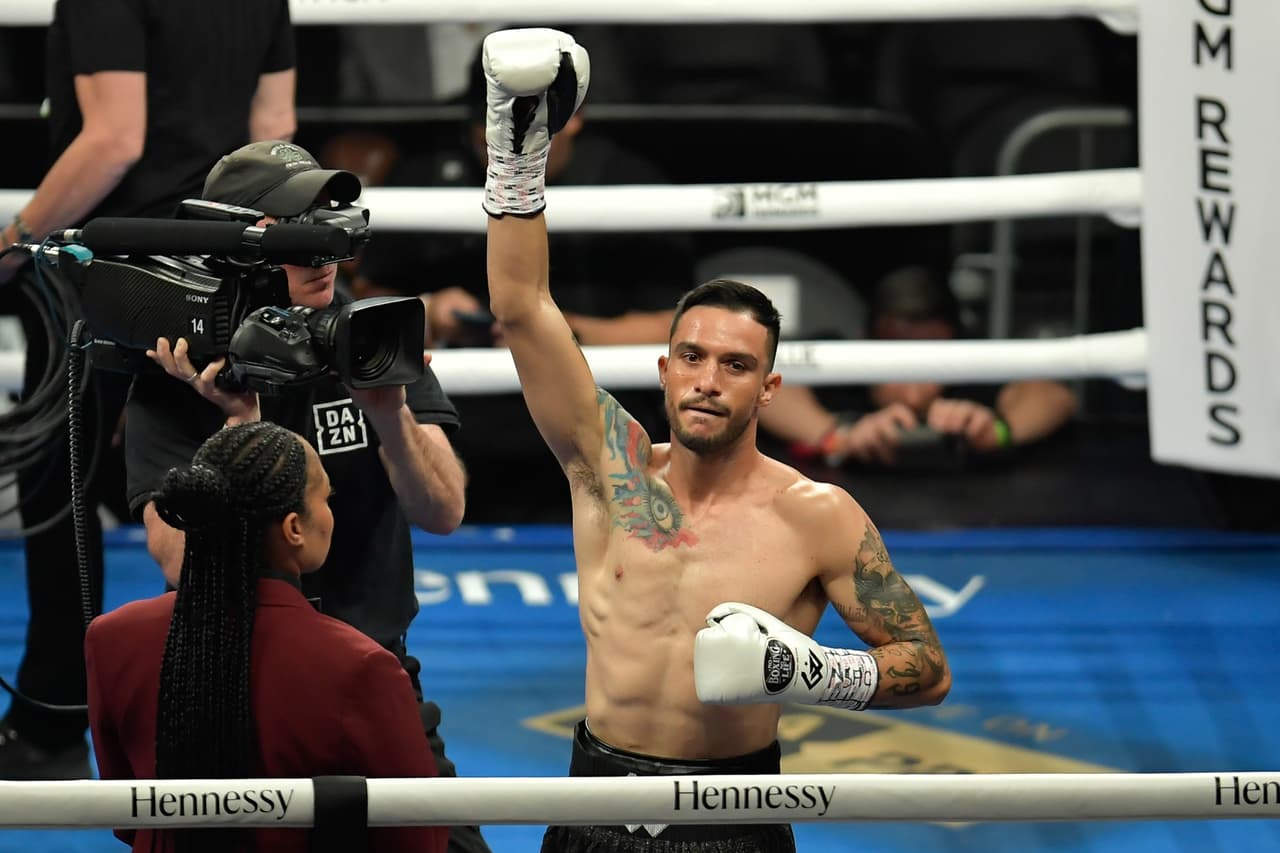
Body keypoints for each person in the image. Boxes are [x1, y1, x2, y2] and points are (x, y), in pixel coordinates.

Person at [479, 28, 951, 852]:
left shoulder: (815, 514)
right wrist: (516, 163)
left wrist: (816, 673)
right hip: (594, 808)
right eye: (693, 358)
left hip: (734, 820)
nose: (708, 379)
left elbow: (927, 666)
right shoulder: (608, 468)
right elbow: (522, 307)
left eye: (736, 365)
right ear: (665, 371)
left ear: (768, 388)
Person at [124, 140, 489, 853]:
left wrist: (390, 413)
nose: (320, 250)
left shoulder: (372, 332)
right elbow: (177, 559)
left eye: (324, 223)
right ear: (238, 246)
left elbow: (442, 509)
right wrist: (241, 427)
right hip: (234, 683)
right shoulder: (182, 364)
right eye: (294, 229)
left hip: (374, 668)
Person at [0, 0, 296, 780]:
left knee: (60, 480)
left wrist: (15, 241)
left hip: (112, 272)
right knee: (221, 478)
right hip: (220, 267)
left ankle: (55, 719)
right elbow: (275, 132)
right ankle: (245, 703)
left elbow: (114, 140)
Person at [86, 421, 447, 853]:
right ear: (294, 528)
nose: (331, 513)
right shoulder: (361, 667)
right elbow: (418, 839)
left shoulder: (111, 639)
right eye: (326, 498)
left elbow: (130, 814)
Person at [774, 266, 1079, 468]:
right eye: (896, 353)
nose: (913, 382)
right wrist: (838, 437)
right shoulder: (841, 364)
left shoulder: (969, 380)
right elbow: (767, 382)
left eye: (930, 354)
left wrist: (997, 431)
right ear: (865, 341)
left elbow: (1054, 395)